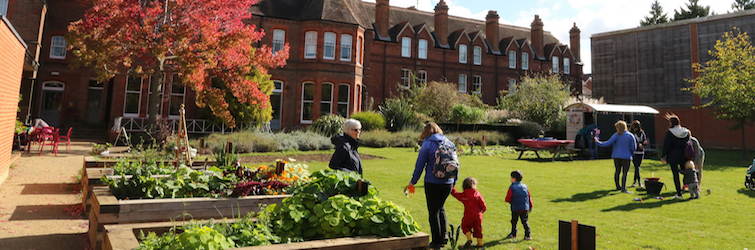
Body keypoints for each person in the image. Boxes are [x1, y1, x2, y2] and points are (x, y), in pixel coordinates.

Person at [408, 122, 456, 249]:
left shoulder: (427, 144)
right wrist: (454, 181)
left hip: (432, 181)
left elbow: (420, 165)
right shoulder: (449, 143)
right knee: (441, 207)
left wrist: (413, 182)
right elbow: (456, 164)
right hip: (448, 182)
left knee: (433, 211)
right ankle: (444, 235)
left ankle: (436, 241)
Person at [595, 120, 637, 193]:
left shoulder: (616, 135)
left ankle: (618, 186)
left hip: (616, 156)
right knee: (625, 173)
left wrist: (597, 142)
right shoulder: (630, 135)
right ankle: (624, 188)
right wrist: (631, 154)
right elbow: (633, 147)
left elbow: (607, 143)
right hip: (626, 157)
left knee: (617, 171)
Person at [450, 177, 487, 249]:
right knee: (478, 228)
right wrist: (483, 209)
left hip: (468, 215)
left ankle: (469, 238)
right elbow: (483, 205)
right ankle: (480, 243)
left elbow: (456, 194)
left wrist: (452, 187)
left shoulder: (464, 195)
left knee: (465, 226)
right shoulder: (477, 194)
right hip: (478, 215)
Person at [661, 114, 689, 199]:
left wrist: (663, 156)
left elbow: (667, 145)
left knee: (675, 175)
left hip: (673, 155)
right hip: (684, 155)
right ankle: (690, 187)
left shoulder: (670, 132)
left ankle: (679, 193)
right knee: (686, 172)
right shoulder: (686, 132)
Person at [505, 170, 533, 241]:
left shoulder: (512, 187)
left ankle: (513, 233)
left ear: (514, 178)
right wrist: (530, 205)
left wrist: (508, 200)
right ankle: (528, 235)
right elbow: (529, 196)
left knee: (514, 221)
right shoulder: (525, 187)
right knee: (525, 221)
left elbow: (508, 198)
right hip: (524, 207)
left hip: (516, 207)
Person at [629, 120, 648, 188]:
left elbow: (645, 141)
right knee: (637, 167)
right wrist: (638, 144)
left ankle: (635, 182)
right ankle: (638, 182)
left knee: (637, 167)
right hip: (634, 152)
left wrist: (643, 144)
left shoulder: (642, 133)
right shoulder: (632, 133)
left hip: (641, 152)